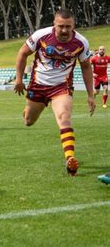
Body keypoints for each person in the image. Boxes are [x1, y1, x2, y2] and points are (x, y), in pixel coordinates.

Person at [14, 9, 95, 176]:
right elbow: (22, 53)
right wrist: (19, 80)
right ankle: (29, 109)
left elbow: (86, 67)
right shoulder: (41, 36)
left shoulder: (81, 42)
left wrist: (90, 95)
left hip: (61, 87)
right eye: (61, 26)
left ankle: (70, 159)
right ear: (54, 24)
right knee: (28, 121)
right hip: (37, 85)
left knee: (64, 118)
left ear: (74, 25)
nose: (65, 30)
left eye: (68, 26)